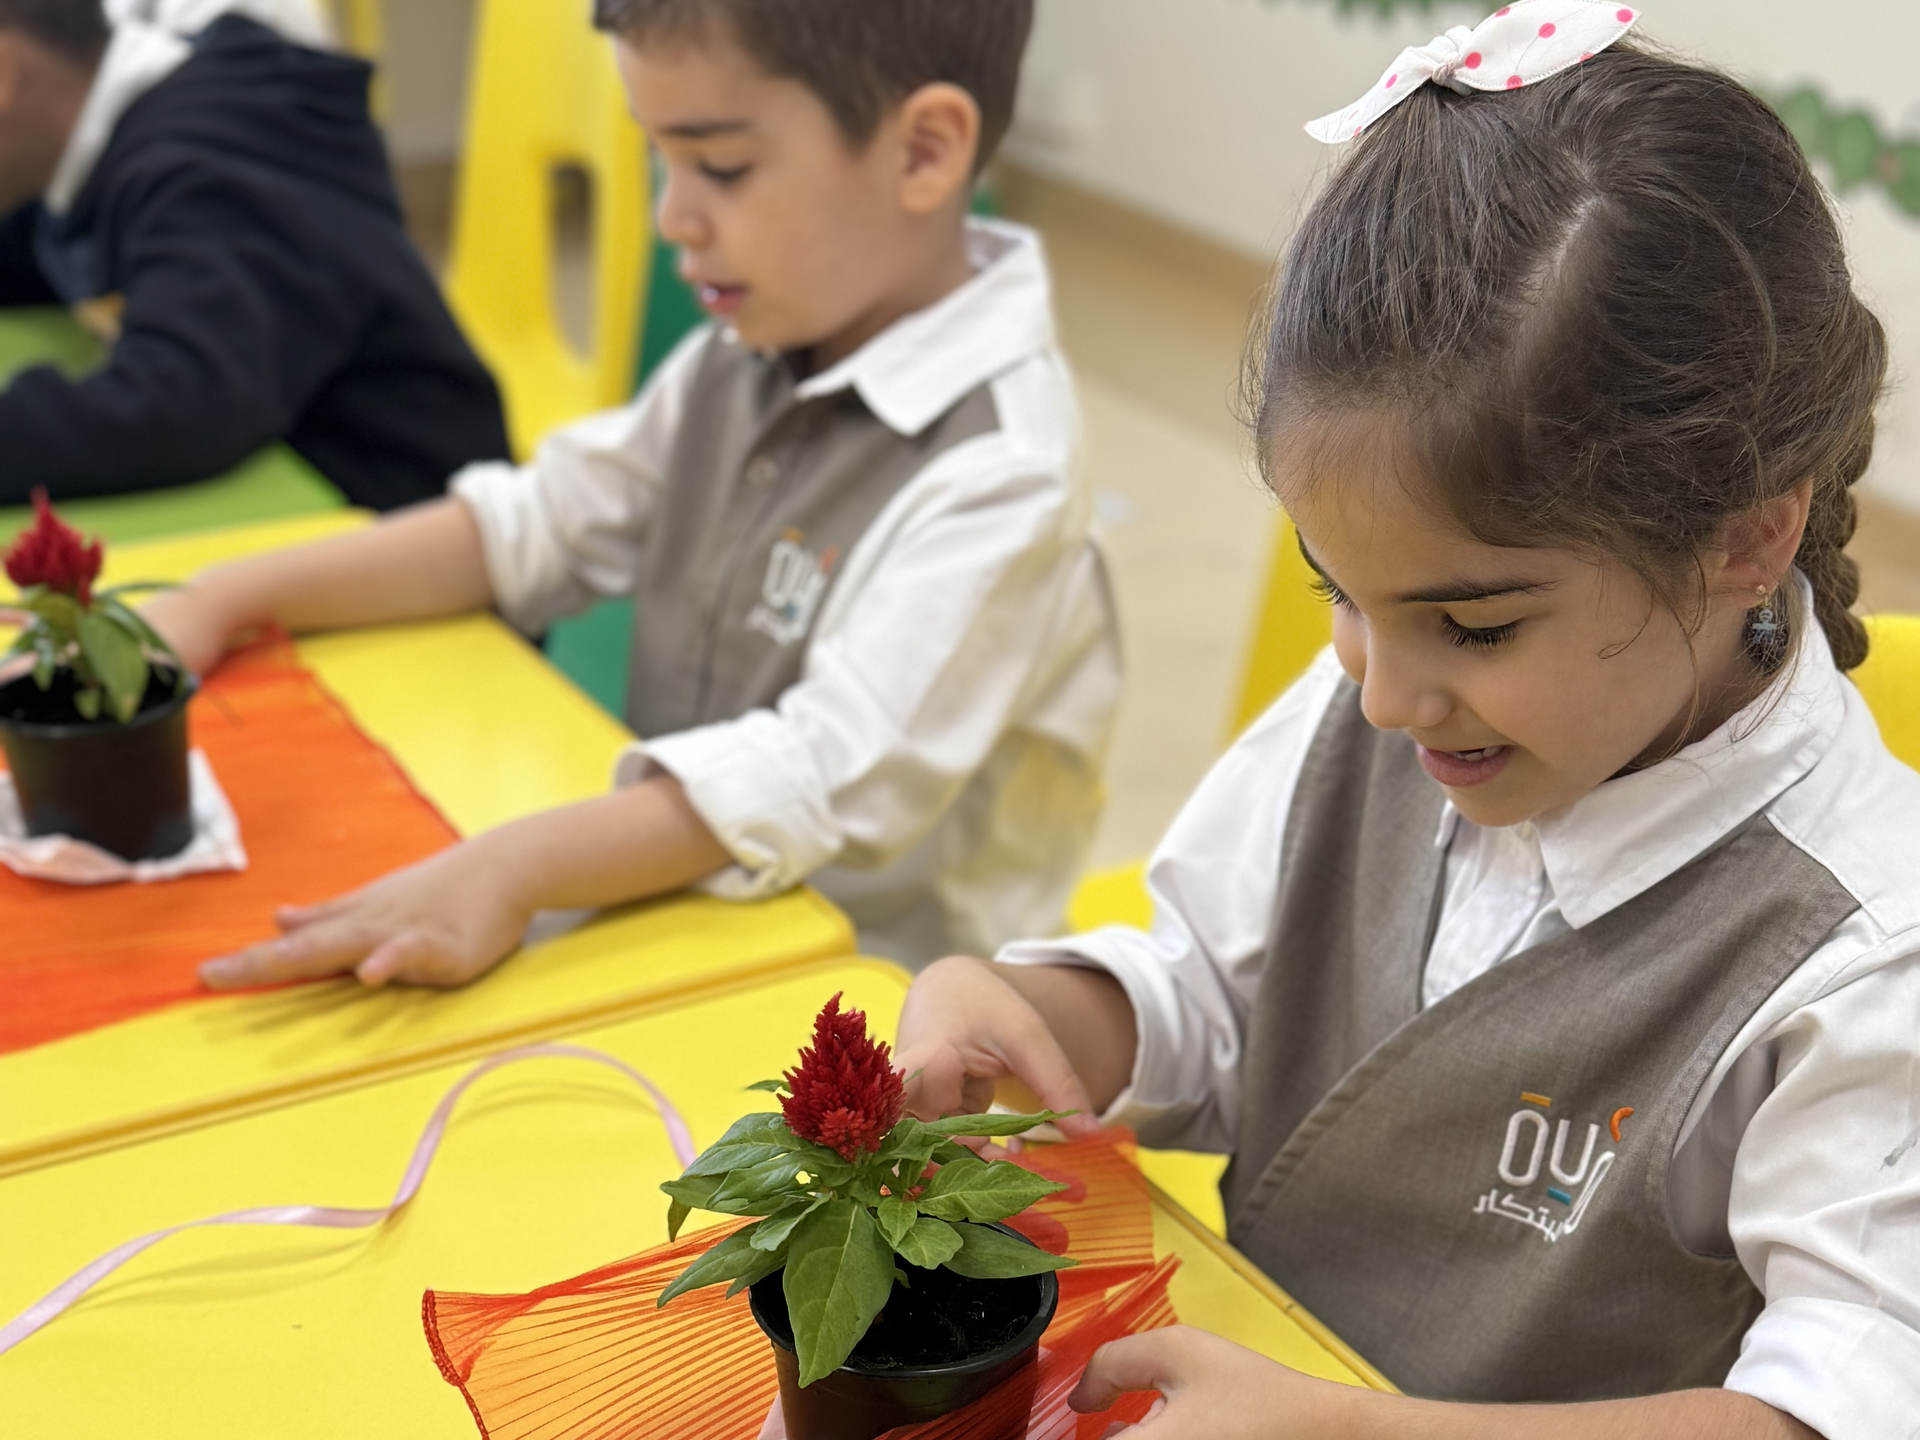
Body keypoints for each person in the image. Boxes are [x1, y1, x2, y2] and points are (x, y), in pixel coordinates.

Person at [896, 15, 1920, 1438]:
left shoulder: (1864, 951)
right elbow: (1212, 985)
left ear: (1749, 538)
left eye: (1477, 627)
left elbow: (1836, 1412)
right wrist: (1033, 1019)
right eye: (1342, 596)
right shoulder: (1394, 701)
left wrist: (1355, 1430)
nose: (1380, 693)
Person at [145, 0, 1118, 987]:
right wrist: (224, 596)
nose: (671, 218)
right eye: (662, 160)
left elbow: (815, 773)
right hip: (673, 919)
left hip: (887, 1009)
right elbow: (537, 524)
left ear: (923, 151)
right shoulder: (745, 352)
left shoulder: (1003, 471)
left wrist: (515, 869)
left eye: (721, 166)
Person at [0, 0, 510, 510]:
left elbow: (178, 404)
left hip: (392, 511)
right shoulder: (94, 140)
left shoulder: (206, 168)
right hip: (288, 482)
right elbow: (36, 257)